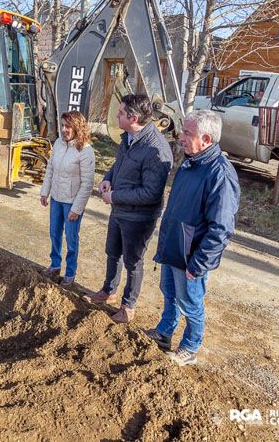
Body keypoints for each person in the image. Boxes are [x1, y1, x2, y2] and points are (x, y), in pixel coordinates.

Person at [144, 110, 240, 366]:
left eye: (188, 133)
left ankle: (190, 346)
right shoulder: (190, 163)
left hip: (190, 257)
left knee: (190, 302)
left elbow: (220, 228)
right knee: (169, 293)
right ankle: (164, 332)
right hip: (173, 246)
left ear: (206, 139)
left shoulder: (220, 174)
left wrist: (198, 263)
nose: (181, 137)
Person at [84, 94, 173, 323]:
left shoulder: (156, 150)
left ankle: (128, 306)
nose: (116, 115)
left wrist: (115, 196)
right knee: (113, 252)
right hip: (120, 209)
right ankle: (108, 291)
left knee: (133, 261)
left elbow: (150, 193)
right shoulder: (129, 138)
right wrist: (108, 178)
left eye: (121, 113)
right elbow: (120, 163)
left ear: (133, 118)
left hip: (139, 217)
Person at [39, 111, 95, 286]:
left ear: (77, 127)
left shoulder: (85, 151)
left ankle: (70, 273)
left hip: (71, 202)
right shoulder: (58, 143)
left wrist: (76, 209)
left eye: (68, 126)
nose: (64, 129)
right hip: (56, 198)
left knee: (71, 239)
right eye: (62, 125)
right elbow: (50, 169)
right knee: (54, 234)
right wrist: (44, 191)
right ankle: (55, 265)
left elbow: (87, 184)